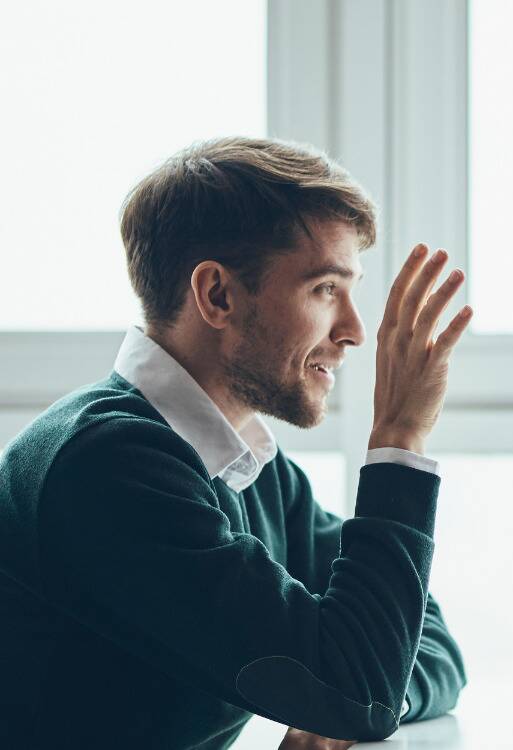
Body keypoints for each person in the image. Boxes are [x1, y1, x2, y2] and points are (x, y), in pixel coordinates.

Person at [0, 137, 472, 749]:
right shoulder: (110, 466)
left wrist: (366, 696)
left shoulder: (246, 464)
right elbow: (360, 689)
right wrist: (399, 440)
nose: (355, 330)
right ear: (217, 295)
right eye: (325, 289)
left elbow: (424, 645)